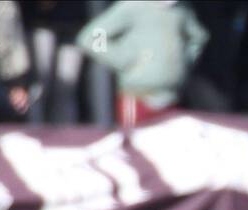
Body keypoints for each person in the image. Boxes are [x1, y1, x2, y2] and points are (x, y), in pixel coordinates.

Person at [75, 0, 207, 128]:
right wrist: (122, 59)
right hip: (138, 98)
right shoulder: (132, 6)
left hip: (172, 97)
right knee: (133, 143)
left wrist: (183, 62)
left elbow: (198, 38)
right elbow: (92, 37)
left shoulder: (181, 9)